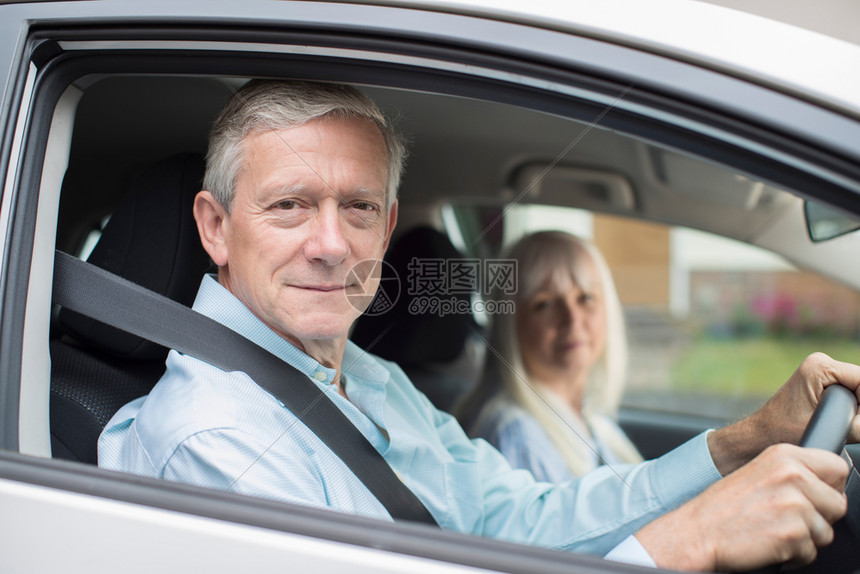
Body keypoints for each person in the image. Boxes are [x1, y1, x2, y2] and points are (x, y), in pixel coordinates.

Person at [98, 79, 860, 572]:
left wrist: (744, 441)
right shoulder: (214, 440)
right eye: (289, 205)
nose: (332, 245)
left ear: (388, 225)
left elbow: (517, 517)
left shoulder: (368, 377)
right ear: (217, 228)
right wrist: (690, 541)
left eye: (358, 208)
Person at [458, 231, 643, 482]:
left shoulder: (593, 422)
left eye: (586, 298)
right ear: (510, 324)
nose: (572, 319)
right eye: (544, 304)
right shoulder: (516, 434)